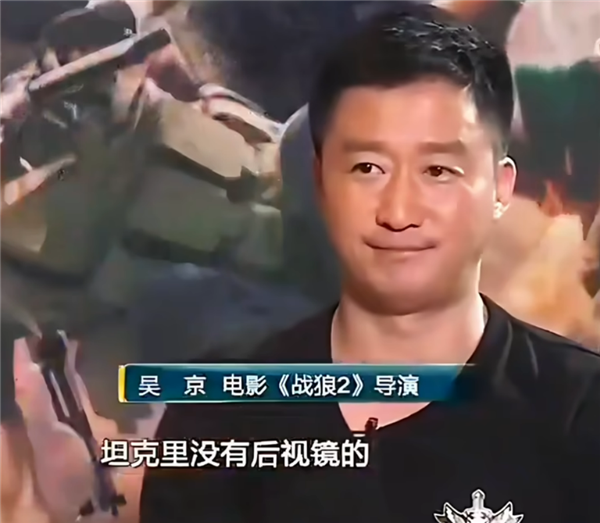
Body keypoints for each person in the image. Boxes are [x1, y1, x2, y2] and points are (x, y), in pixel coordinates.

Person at [140, 4, 600, 523]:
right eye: (369, 169)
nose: (400, 211)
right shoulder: (216, 420)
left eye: (438, 170)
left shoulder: (577, 407)